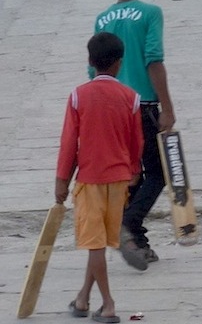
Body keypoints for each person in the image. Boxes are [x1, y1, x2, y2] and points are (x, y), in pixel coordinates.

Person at [93, 0, 176, 270]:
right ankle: (128, 224)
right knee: (158, 173)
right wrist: (167, 107)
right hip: (143, 106)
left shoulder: (101, 19)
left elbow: (95, 70)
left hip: (112, 108)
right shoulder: (150, 13)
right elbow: (153, 59)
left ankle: (136, 239)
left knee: (133, 174)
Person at [56, 32, 144, 323]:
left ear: (90, 61)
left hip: (91, 179)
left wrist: (61, 181)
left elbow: (70, 143)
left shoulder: (79, 95)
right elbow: (136, 142)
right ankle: (82, 300)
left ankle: (108, 305)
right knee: (100, 243)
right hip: (119, 180)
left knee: (94, 245)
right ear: (119, 63)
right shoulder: (131, 98)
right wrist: (132, 170)